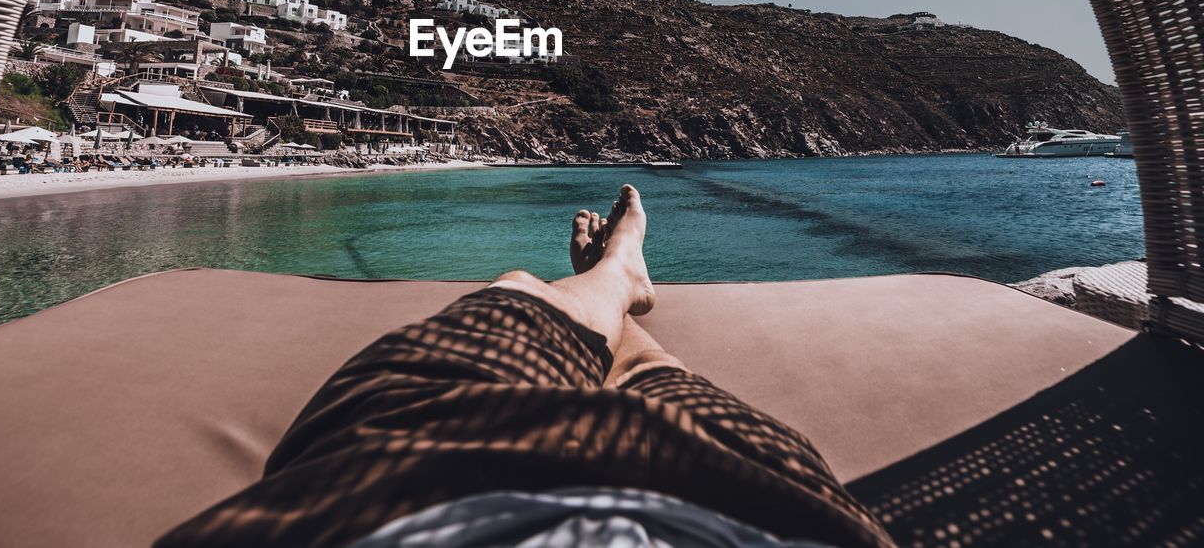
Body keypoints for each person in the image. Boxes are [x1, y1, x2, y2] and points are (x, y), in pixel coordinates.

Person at [157, 185, 895, 548]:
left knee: (521, 293)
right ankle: (618, 285)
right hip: (764, 510)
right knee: (620, 356)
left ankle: (613, 284)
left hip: (393, 491)